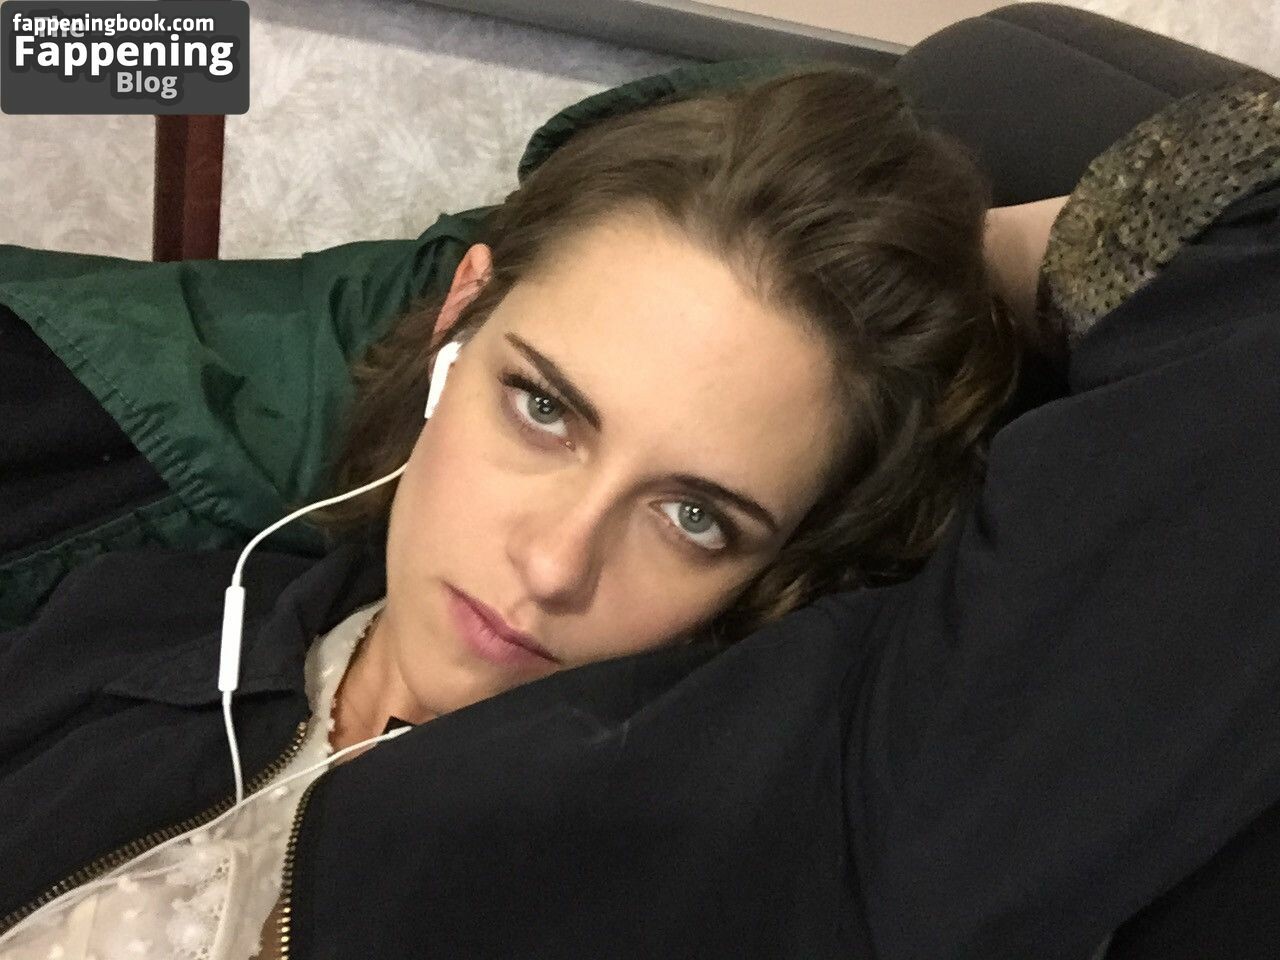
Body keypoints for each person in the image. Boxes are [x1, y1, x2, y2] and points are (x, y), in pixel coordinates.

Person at [0, 64, 1024, 957]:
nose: (553, 564)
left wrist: (997, 263)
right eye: (543, 409)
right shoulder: (132, 620)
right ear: (459, 317)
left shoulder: (670, 888)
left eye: (693, 518)